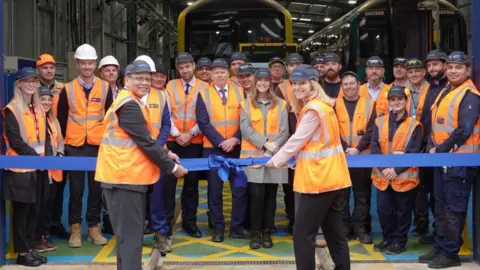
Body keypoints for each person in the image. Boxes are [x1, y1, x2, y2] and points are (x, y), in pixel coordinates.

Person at [95, 60, 188, 270]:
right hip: (123, 179)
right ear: (127, 80)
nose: (145, 82)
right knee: (131, 239)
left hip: (127, 178)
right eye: (139, 78)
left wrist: (166, 152)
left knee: (128, 239)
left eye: (147, 78)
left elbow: (143, 140)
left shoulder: (133, 101)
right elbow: (145, 142)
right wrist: (172, 167)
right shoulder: (128, 105)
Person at [266, 64, 351, 270]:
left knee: (302, 233)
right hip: (333, 178)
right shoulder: (324, 107)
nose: (297, 88)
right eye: (294, 84)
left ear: (313, 84)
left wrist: (275, 161)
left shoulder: (313, 110)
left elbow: (297, 140)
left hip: (319, 181)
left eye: (302, 83)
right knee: (334, 232)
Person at [419, 51, 480, 268]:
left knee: (454, 208)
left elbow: (464, 129)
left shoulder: (470, 95)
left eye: (459, 67)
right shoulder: (447, 90)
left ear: (468, 70)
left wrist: (442, 149)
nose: (453, 71)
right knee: (441, 205)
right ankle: (441, 246)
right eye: (451, 67)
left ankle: (451, 252)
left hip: (459, 161)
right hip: (442, 160)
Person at [56, 43, 113, 248]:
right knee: (76, 191)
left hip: (98, 146)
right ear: (78, 64)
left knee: (96, 190)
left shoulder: (105, 87)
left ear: (94, 64)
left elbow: (109, 118)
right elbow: (61, 119)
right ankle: (75, 229)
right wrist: (62, 145)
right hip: (75, 145)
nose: (87, 67)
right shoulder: (67, 89)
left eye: (90, 63)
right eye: (83, 63)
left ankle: (94, 228)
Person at [155, 53, 206, 251]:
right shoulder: (170, 86)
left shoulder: (204, 87)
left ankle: (190, 222)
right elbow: (166, 113)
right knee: (168, 185)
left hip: (195, 140)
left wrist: (190, 133)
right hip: (172, 140)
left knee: (191, 186)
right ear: (177, 69)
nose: (185, 70)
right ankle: (166, 225)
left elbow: (205, 114)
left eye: (188, 66)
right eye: (181, 67)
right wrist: (177, 134)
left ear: (193, 66)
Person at [196, 58, 251, 243]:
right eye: (215, 72)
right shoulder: (203, 94)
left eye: (222, 71)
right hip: (213, 149)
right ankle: (218, 228)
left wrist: (235, 139)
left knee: (239, 190)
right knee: (214, 191)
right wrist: (221, 142)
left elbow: (246, 119)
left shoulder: (240, 91)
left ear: (229, 73)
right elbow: (203, 123)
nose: (219, 74)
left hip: (237, 148)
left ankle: (237, 226)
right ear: (210, 75)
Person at [239, 68, 289, 249]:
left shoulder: (282, 104)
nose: (262, 83)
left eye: (265, 80)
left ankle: (267, 231)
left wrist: (272, 149)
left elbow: (285, 131)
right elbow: (246, 130)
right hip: (253, 158)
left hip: (275, 157)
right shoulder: (245, 104)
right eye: (259, 80)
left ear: (270, 83)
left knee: (271, 196)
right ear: (255, 82)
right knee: (256, 196)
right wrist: (265, 144)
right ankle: (256, 232)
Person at [3, 67, 48, 266]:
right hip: (20, 168)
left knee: (34, 211)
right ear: (18, 84)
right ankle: (22, 253)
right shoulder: (12, 109)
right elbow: (15, 141)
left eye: (34, 81)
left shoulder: (38, 108)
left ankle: (30, 248)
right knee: (21, 213)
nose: (31, 84)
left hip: (36, 167)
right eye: (27, 81)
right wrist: (36, 158)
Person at [371, 85, 423, 255]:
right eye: (393, 100)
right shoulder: (379, 122)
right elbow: (375, 147)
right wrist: (386, 169)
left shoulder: (414, 125)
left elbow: (414, 151)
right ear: (389, 102)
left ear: (406, 101)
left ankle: (399, 242)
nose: (396, 102)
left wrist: (397, 169)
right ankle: (388, 239)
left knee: (403, 213)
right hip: (383, 178)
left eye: (400, 99)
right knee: (384, 210)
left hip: (404, 179)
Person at [335, 71, 375, 244]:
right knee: (341, 196)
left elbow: (373, 130)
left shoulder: (370, 104)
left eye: (352, 83)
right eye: (346, 84)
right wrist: (346, 149)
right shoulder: (333, 105)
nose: (349, 87)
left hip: (362, 157)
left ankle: (360, 228)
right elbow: (332, 129)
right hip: (341, 157)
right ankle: (345, 228)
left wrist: (358, 149)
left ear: (359, 85)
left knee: (362, 195)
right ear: (342, 87)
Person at [416, 50, 449, 245]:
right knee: (431, 192)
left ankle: (443, 237)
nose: (432, 68)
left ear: (444, 65)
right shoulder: (430, 88)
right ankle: (437, 233)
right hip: (428, 148)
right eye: (429, 65)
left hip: (444, 152)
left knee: (442, 196)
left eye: (436, 64)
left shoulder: (451, 88)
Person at [35, 53, 69, 240]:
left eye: (51, 67)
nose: (49, 70)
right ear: (38, 69)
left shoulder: (62, 88)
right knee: (42, 190)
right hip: (39, 140)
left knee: (58, 186)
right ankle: (41, 229)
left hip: (58, 138)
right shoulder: (32, 87)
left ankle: (55, 223)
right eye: (44, 67)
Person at [274, 53, 303, 235]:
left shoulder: (310, 86)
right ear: (287, 69)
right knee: (289, 187)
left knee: (306, 187)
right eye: (291, 65)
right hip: (288, 145)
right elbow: (279, 118)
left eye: (297, 64)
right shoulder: (281, 89)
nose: (294, 68)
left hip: (307, 145)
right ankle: (293, 220)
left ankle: (304, 222)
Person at [34, 86, 65, 254]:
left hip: (53, 170)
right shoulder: (35, 119)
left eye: (48, 99)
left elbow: (60, 140)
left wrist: (60, 153)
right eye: (42, 99)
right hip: (40, 170)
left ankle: (44, 235)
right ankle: (37, 237)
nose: (46, 102)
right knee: (39, 205)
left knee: (48, 204)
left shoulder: (53, 120)